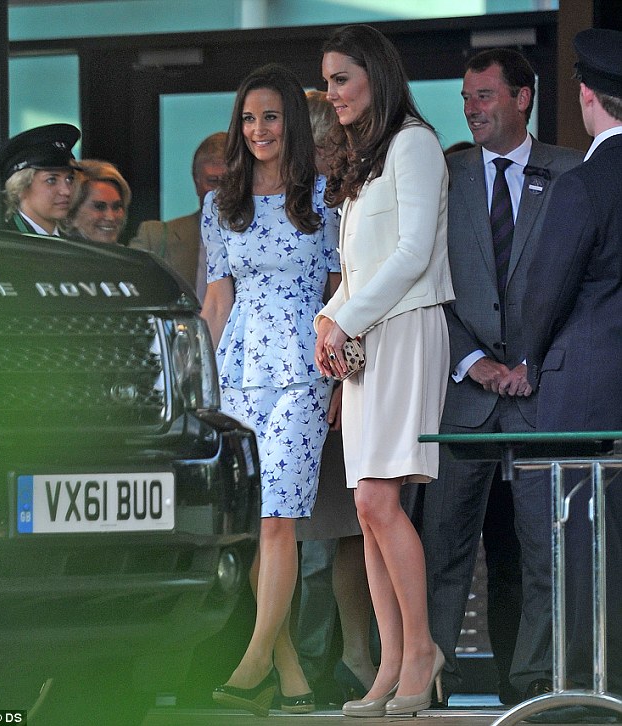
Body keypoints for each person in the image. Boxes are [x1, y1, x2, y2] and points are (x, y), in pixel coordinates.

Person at [419, 47, 583, 708]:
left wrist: (531, 362)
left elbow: (589, 285)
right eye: (466, 97)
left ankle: (538, 684)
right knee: (442, 551)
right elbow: (426, 288)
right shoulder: (442, 176)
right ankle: (429, 676)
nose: (471, 109)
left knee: (547, 549)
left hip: (543, 394)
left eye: (484, 95)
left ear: (524, 98)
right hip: (463, 396)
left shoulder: (574, 174)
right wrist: (473, 362)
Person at [315, 24, 454, 718]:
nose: (331, 92)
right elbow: (363, 267)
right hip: (369, 331)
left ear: (374, 73)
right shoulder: (364, 156)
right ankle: (393, 661)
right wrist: (327, 318)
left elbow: (411, 253)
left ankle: (422, 650)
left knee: (376, 502)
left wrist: (345, 317)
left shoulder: (416, 143)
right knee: (370, 514)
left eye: (341, 77)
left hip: (406, 329)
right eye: (328, 80)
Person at [200, 63, 340, 717]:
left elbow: (344, 292)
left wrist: (345, 376)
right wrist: (200, 391)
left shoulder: (326, 196)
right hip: (236, 374)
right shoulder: (219, 203)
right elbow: (216, 302)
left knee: (280, 518)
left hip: (304, 370)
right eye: (249, 118)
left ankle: (252, 662)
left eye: (272, 116)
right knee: (258, 526)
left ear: (292, 122)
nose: (259, 129)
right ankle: (291, 675)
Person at [523, 27, 622, 724]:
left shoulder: (585, 183)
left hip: (586, 394)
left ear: (587, 96)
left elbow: (541, 294)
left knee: (580, 548)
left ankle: (586, 693)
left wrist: (525, 358)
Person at [296, 89, 376, 703]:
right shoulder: (288, 204)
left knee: (351, 525)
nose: (330, 153)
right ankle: (296, 663)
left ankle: (352, 653)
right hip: (289, 378)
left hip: (341, 376)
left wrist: (343, 380)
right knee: (289, 531)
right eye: (322, 143)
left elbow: (351, 295)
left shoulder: (344, 201)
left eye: (330, 142)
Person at [130, 132, 227, 298]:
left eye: (231, 182)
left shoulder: (268, 239)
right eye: (213, 181)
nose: (221, 192)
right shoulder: (156, 238)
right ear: (197, 182)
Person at [0, 123, 80, 236]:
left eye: (70, 179)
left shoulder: (75, 245)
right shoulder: (2, 243)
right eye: (51, 180)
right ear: (20, 187)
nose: (66, 191)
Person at [61, 159, 131, 244]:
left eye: (116, 207)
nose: (110, 217)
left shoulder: (129, 256)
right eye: (99, 207)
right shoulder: (52, 255)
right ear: (71, 215)